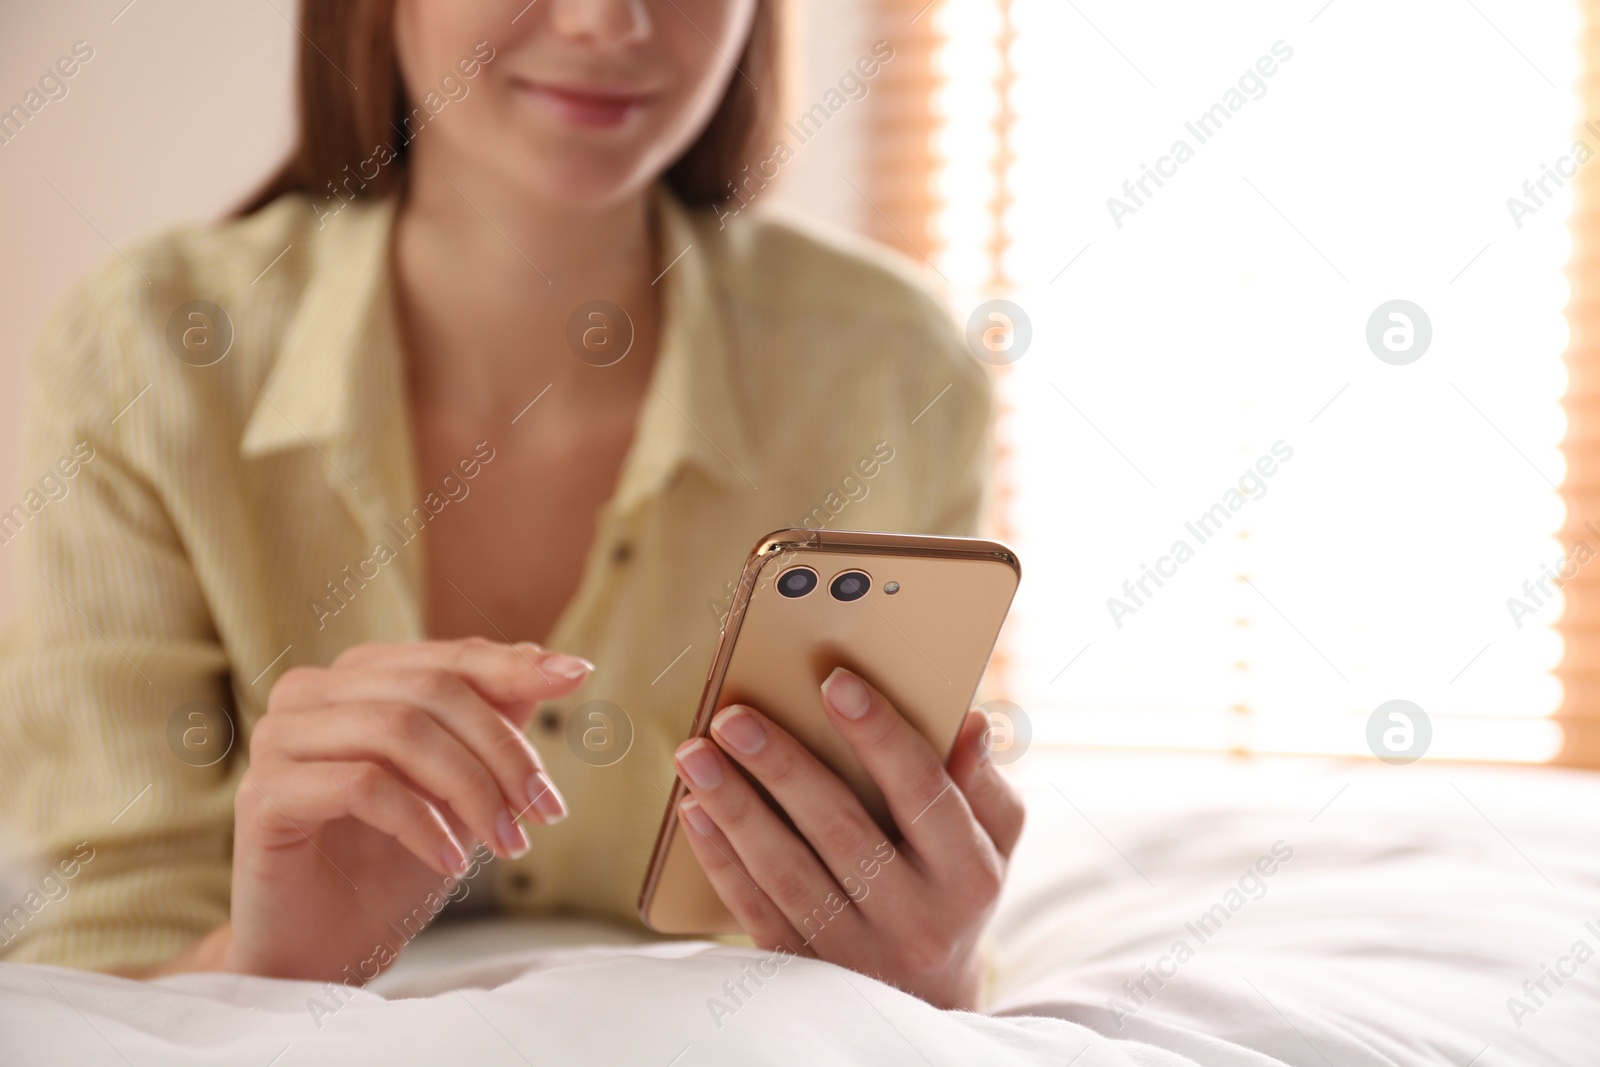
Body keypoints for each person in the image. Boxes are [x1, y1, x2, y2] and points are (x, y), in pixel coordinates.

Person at [0, 0, 1022, 1010]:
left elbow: (895, 916)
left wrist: (935, 976)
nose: (608, 23)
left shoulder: (894, 365)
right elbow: (96, 960)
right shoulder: (148, 350)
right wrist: (265, 963)